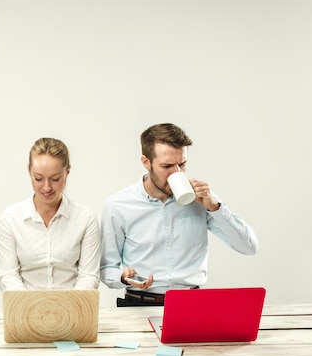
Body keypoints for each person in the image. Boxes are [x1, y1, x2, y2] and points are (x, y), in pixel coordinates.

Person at [100, 123, 259, 307]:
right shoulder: (118, 205)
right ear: (146, 162)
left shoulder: (201, 200)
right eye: (167, 166)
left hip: (192, 304)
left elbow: (249, 247)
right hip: (138, 304)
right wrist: (123, 277)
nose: (176, 172)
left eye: (182, 164)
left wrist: (215, 207)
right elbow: (107, 269)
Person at [0, 137, 100, 291]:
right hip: (25, 308)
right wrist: (31, 307)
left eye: (55, 179)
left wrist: (70, 308)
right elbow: (8, 276)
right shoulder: (11, 218)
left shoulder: (85, 218)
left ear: (67, 172)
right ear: (29, 171)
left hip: (72, 308)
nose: (46, 187)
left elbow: (88, 276)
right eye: (38, 178)